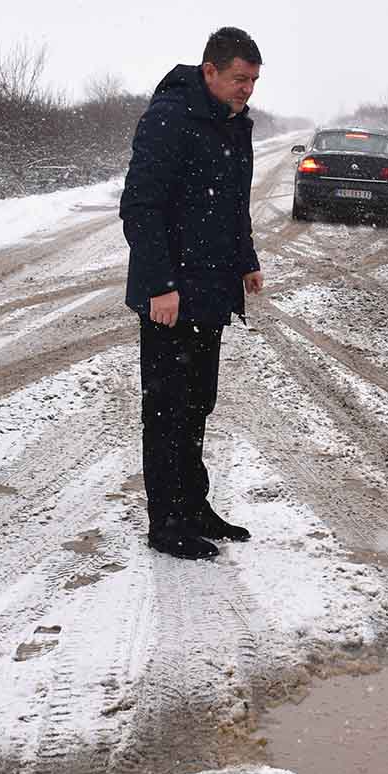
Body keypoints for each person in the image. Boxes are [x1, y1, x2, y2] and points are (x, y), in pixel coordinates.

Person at [120, 27, 266, 560]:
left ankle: (194, 505)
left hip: (211, 289)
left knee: (198, 402)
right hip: (171, 294)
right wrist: (160, 285)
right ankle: (166, 522)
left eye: (253, 80)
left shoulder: (233, 123)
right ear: (209, 71)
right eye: (239, 78)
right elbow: (140, 206)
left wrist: (246, 260)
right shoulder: (169, 117)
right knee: (166, 410)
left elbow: (232, 203)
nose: (246, 89)